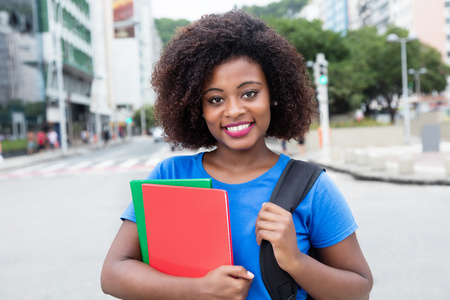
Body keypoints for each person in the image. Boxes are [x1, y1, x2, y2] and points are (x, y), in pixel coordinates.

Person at [101, 10, 372, 300]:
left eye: (249, 93)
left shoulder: (310, 186)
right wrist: (198, 289)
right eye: (215, 99)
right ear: (198, 109)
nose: (233, 110)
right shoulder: (171, 177)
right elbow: (114, 273)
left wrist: (295, 260)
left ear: (274, 94)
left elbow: (359, 289)